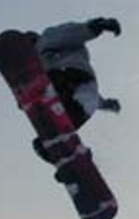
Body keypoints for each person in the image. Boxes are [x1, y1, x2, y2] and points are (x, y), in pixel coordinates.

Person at [29, 18, 122, 161]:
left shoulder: (45, 40)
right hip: (85, 100)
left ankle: (56, 147)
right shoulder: (39, 63)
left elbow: (68, 34)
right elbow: (87, 96)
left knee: (43, 83)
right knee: (49, 140)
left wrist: (94, 27)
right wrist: (105, 104)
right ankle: (69, 159)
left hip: (70, 77)